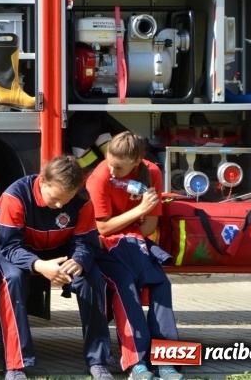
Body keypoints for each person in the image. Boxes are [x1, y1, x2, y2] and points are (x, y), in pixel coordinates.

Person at [0, 155, 114, 380]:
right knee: (13, 279)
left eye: (66, 200)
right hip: (18, 251)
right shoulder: (15, 196)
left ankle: (98, 361)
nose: (60, 205)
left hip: (61, 252)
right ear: (42, 182)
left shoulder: (82, 199)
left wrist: (79, 260)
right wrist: (39, 265)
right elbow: (8, 246)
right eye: (55, 198)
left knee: (92, 278)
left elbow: (86, 241)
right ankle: (15, 364)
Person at [86, 131, 184, 380]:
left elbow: (150, 225)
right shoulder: (99, 176)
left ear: (137, 161)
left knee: (161, 284)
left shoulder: (151, 172)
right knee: (125, 284)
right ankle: (136, 364)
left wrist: (132, 235)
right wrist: (139, 210)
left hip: (136, 241)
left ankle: (168, 362)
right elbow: (102, 228)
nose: (111, 170)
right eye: (109, 161)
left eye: (118, 167)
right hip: (104, 246)